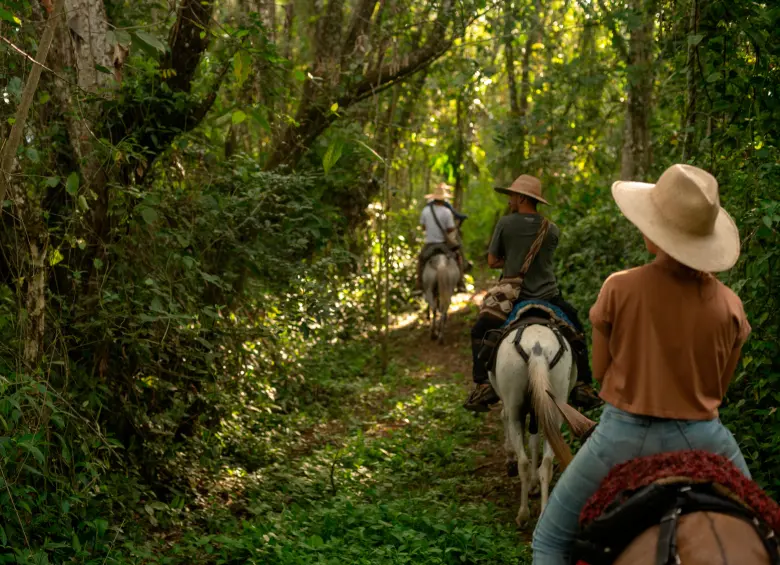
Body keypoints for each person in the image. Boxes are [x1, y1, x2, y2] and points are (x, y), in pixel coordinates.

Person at [531, 164, 752, 565]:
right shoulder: (731, 306)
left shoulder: (619, 287)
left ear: (653, 234)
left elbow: (598, 371)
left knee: (548, 541)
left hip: (623, 435)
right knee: (759, 523)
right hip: (705, 438)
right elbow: (718, 390)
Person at [463, 174, 601, 412]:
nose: (509, 201)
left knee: (480, 329)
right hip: (549, 297)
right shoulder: (552, 229)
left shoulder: (505, 224)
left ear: (520, 197)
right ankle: (582, 385)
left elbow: (493, 260)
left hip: (514, 299)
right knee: (577, 331)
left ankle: (483, 385)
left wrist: (510, 262)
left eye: (512, 196)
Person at [415, 183, 467, 293]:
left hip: (429, 243)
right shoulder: (447, 212)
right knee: (458, 258)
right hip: (443, 244)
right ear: (444, 199)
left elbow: (423, 227)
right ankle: (460, 283)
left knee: (421, 260)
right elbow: (450, 229)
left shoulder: (426, 210)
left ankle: (419, 284)